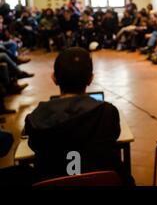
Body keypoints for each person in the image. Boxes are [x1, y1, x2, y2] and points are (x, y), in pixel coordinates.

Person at [24, 47, 133, 184]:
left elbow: (34, 147)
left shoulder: (35, 119)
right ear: (90, 79)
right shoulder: (108, 113)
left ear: (54, 78)